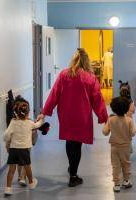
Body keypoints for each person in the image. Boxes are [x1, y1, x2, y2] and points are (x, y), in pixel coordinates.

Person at [37, 48, 108, 187]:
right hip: (82, 116)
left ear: (74, 60)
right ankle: (73, 175)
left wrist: (44, 112)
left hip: (66, 115)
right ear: (86, 61)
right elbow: (97, 99)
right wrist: (104, 117)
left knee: (70, 142)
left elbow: (54, 94)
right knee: (77, 144)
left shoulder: (64, 74)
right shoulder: (90, 77)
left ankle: (72, 167)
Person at [3, 98, 44, 196]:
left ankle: (8, 188)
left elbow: (6, 135)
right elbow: (38, 125)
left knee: (11, 170)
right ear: (27, 113)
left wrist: (8, 141)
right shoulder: (29, 123)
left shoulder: (13, 122)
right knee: (27, 166)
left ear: (16, 113)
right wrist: (42, 119)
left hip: (13, 149)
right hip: (24, 149)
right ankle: (31, 183)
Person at [103, 97, 136, 193]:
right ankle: (126, 181)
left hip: (114, 147)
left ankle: (116, 185)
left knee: (115, 165)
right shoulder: (129, 120)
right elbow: (133, 132)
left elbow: (105, 132)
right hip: (125, 147)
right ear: (127, 108)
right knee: (126, 163)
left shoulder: (111, 119)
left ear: (113, 108)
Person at [119, 80, 136, 153]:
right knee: (124, 135)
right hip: (124, 121)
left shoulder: (129, 101)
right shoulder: (130, 101)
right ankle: (126, 148)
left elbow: (132, 110)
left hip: (126, 121)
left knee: (126, 135)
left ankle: (128, 147)